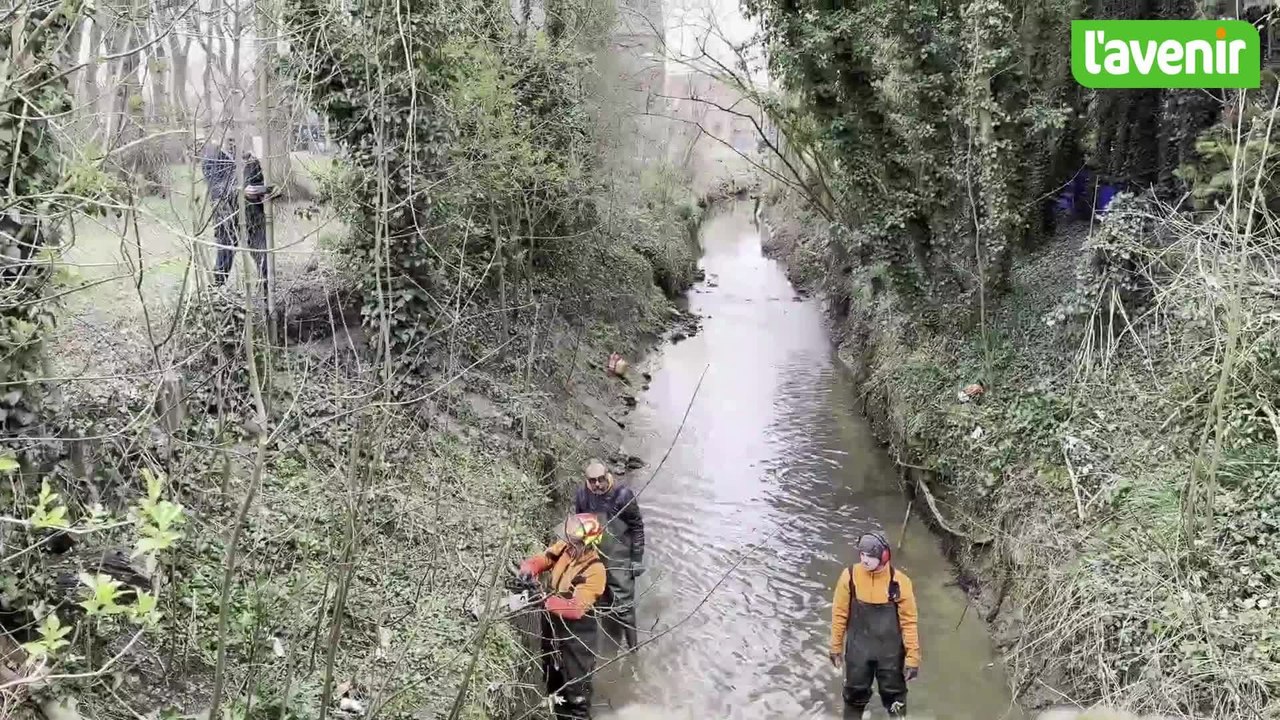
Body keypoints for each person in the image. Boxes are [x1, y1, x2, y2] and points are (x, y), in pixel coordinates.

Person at [518, 513, 609, 720]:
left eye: (574, 540)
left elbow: (576, 609)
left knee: (577, 691)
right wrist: (529, 569)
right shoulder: (565, 549)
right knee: (553, 677)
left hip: (578, 636)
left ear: (586, 543)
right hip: (553, 626)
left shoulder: (595, 570)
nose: (569, 543)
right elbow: (544, 559)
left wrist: (543, 600)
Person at [829, 531, 920, 719]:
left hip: (890, 655)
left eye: (870, 556)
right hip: (858, 651)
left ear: (884, 556)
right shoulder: (849, 576)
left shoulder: (900, 582)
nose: (864, 560)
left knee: (895, 698)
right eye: (862, 554)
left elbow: (909, 622)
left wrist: (913, 657)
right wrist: (835, 646)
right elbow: (839, 614)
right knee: (854, 696)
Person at [572, 459, 645, 650]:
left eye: (601, 479)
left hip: (621, 558)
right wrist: (581, 559)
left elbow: (637, 527)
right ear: (586, 480)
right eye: (592, 481)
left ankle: (633, 651)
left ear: (608, 476)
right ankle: (611, 649)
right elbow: (581, 526)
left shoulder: (623, 495)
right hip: (596, 558)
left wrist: (637, 559)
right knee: (603, 606)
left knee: (624, 607)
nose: (597, 484)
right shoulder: (582, 495)